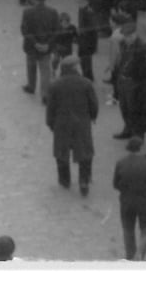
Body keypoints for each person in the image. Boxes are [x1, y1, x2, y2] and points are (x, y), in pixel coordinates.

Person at [44, 58, 98, 195]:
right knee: (85, 153)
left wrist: (51, 124)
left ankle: (64, 180)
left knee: (61, 153)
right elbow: (93, 105)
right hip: (81, 124)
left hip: (61, 125)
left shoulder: (55, 85)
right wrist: (92, 117)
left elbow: (50, 108)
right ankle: (84, 181)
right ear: (74, 67)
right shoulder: (86, 83)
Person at [112, 135, 146, 261]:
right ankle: (140, 254)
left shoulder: (121, 163)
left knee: (128, 230)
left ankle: (130, 256)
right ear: (141, 148)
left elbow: (116, 184)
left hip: (127, 201)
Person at [20, 0, 58, 102]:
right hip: (46, 47)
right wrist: (47, 44)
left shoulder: (27, 12)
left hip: (31, 46)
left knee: (31, 66)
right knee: (45, 71)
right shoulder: (52, 12)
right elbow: (56, 31)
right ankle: (45, 95)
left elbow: (25, 30)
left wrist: (35, 43)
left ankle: (31, 86)